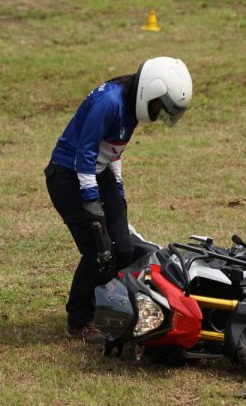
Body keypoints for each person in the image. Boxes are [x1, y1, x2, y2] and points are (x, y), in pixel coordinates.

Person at [45, 57, 193, 342]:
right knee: (97, 251)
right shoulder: (110, 102)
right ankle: (79, 320)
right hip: (68, 176)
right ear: (151, 90)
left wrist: (117, 191)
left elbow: (113, 149)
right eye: (158, 106)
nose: (157, 112)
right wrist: (92, 201)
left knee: (123, 248)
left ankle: (111, 308)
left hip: (98, 173)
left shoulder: (132, 105)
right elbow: (85, 152)